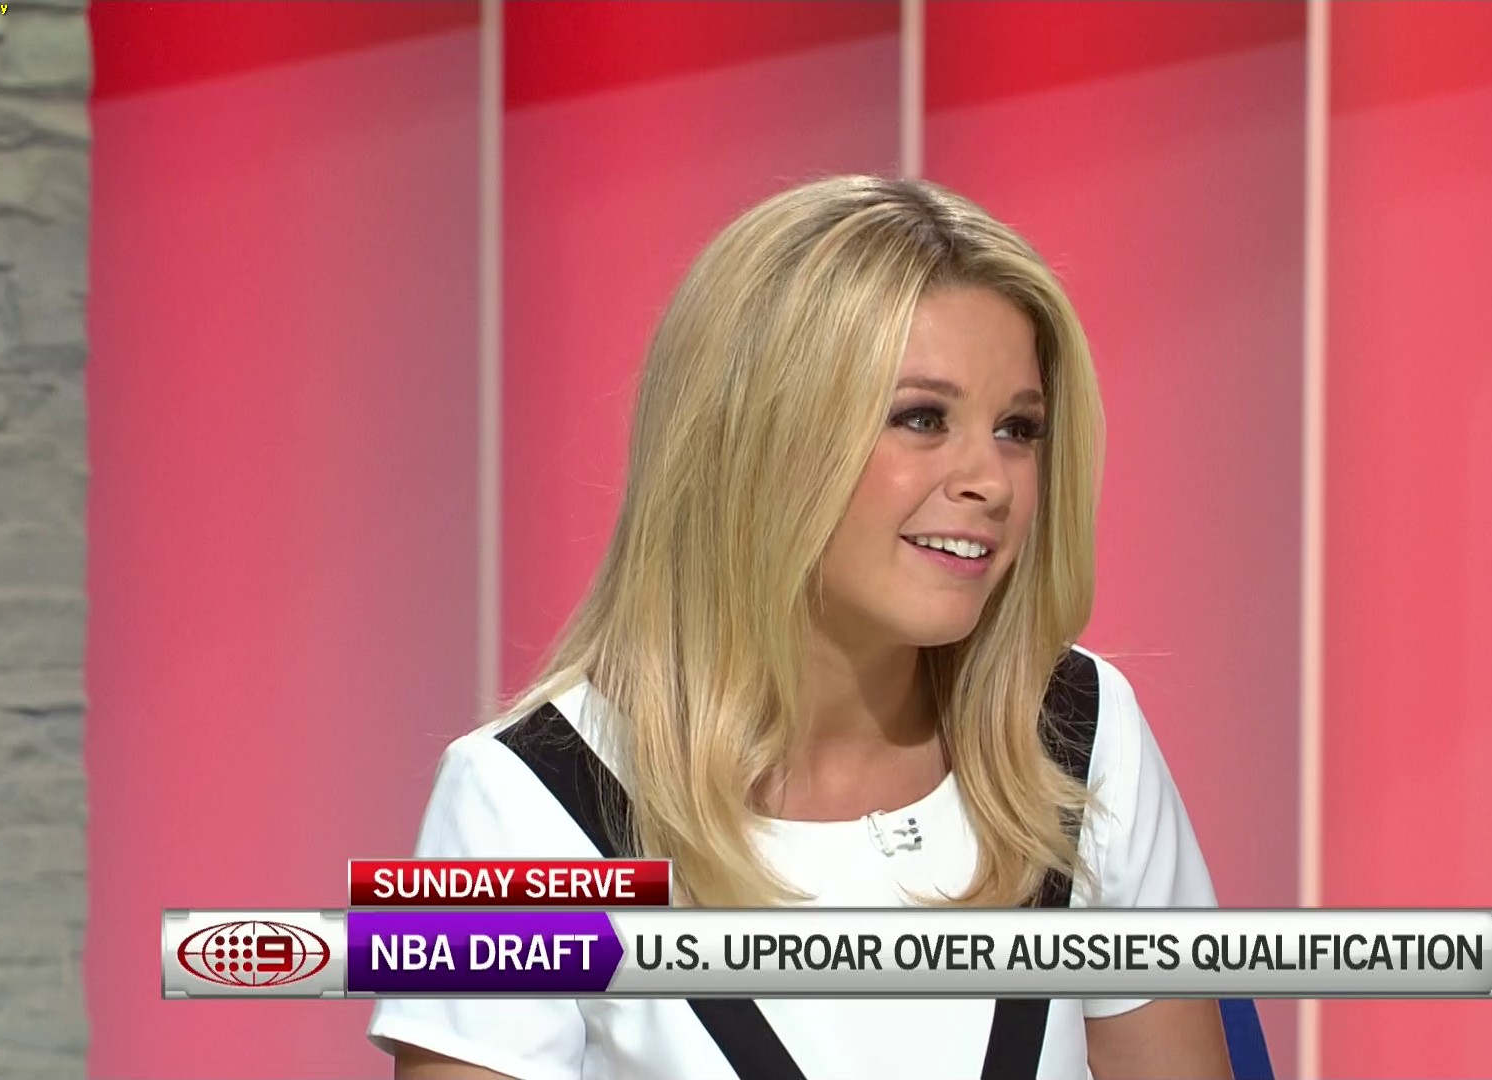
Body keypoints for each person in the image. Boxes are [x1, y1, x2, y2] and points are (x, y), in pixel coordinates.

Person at [368, 175, 1233, 1079]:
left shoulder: (1076, 734)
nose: (992, 481)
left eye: (1018, 428)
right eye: (923, 418)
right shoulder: (517, 803)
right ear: (760, 438)